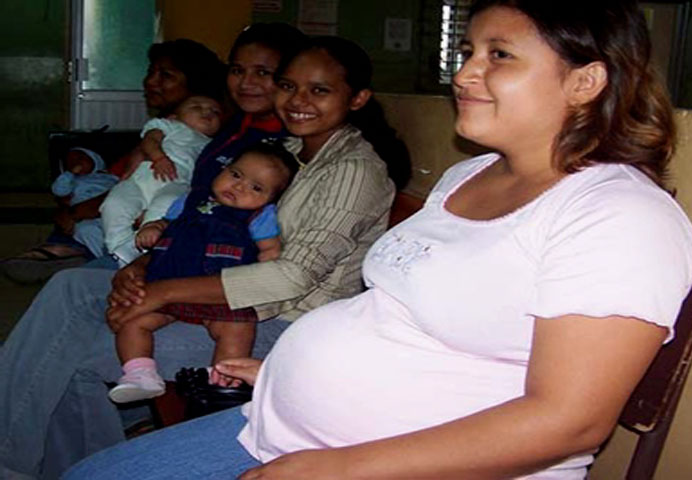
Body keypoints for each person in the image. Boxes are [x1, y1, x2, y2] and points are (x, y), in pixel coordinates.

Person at [63, 2, 692, 479]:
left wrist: (336, 467)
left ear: (585, 81)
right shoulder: (471, 175)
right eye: (468, 50)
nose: (465, 73)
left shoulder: (617, 216)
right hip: (291, 426)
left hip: (381, 462)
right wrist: (285, 371)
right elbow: (404, 314)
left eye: (499, 55)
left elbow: (569, 423)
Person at [0, 27, 409, 480]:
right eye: (288, 85)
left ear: (357, 98)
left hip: (278, 322)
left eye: (319, 90)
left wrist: (162, 291)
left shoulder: (353, 171)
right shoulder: (288, 151)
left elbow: (291, 278)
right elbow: (207, 216)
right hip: (213, 280)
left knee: (76, 355)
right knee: (71, 286)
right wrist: (144, 266)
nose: (298, 100)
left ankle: (37, 466)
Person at [0, 39, 226, 282]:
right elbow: (125, 176)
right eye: (151, 72)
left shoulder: (207, 138)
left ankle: (78, 252)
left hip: (158, 208)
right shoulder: (163, 127)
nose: (150, 82)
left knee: (105, 216)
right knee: (108, 205)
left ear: (196, 84)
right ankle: (87, 251)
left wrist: (77, 211)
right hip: (128, 193)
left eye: (166, 75)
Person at [109, 142, 298, 403]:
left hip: (217, 295)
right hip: (167, 283)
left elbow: (270, 249)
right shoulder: (190, 199)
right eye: (236, 174)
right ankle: (140, 373)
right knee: (132, 322)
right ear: (223, 170)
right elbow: (168, 224)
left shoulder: (259, 216)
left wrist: (268, 259)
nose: (239, 187)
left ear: (271, 199)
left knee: (238, 328)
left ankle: (222, 376)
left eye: (256, 188)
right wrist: (154, 228)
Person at [100, 95, 223, 266]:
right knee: (115, 204)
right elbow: (150, 140)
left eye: (215, 112)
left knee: (167, 203)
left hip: (177, 182)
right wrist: (159, 157)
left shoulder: (213, 144)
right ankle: (119, 248)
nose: (207, 112)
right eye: (196, 107)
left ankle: (144, 243)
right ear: (174, 116)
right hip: (141, 179)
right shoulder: (169, 125)